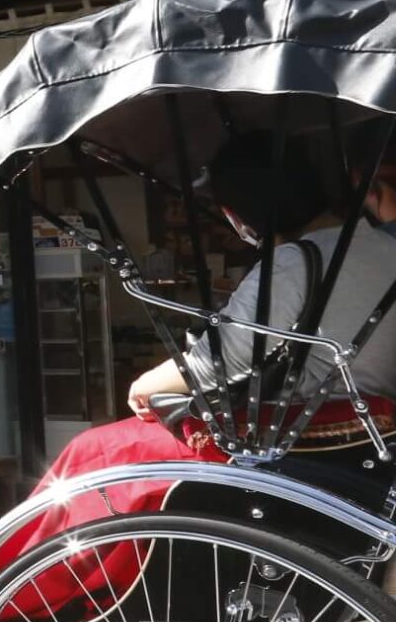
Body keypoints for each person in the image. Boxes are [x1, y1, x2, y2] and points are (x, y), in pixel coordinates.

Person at [127, 133, 396, 415]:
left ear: (235, 215)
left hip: (332, 423)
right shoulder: (384, 244)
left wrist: (144, 385)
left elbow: (218, 362)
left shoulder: (292, 263)